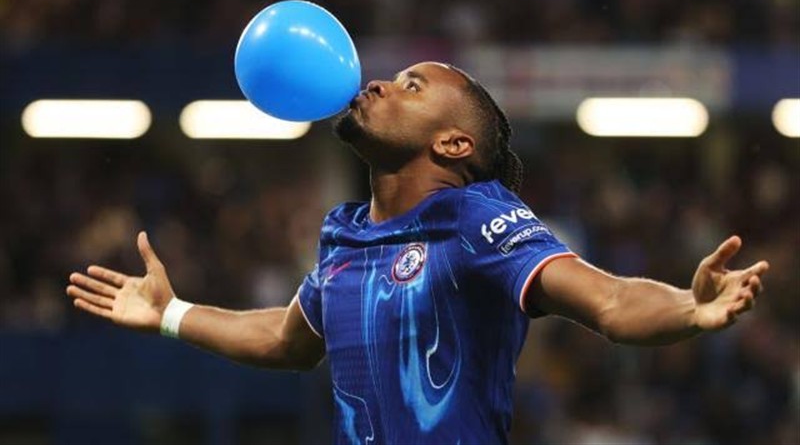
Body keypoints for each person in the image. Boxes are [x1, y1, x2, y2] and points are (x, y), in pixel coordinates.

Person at [66, 62, 768, 444]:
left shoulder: (476, 216)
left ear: (454, 144)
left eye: (412, 87)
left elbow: (608, 300)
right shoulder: (344, 235)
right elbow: (286, 339)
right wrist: (172, 313)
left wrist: (688, 307)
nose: (376, 83)